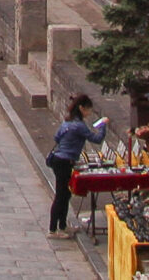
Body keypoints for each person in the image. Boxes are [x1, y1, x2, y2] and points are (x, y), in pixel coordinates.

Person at [47, 94, 100, 237]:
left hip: (59, 159)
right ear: (81, 108)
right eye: (88, 109)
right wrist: (103, 127)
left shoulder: (67, 122)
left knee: (65, 194)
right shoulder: (79, 126)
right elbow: (96, 139)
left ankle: (62, 226)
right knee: (61, 195)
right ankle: (53, 229)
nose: (89, 112)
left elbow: (57, 137)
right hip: (65, 162)